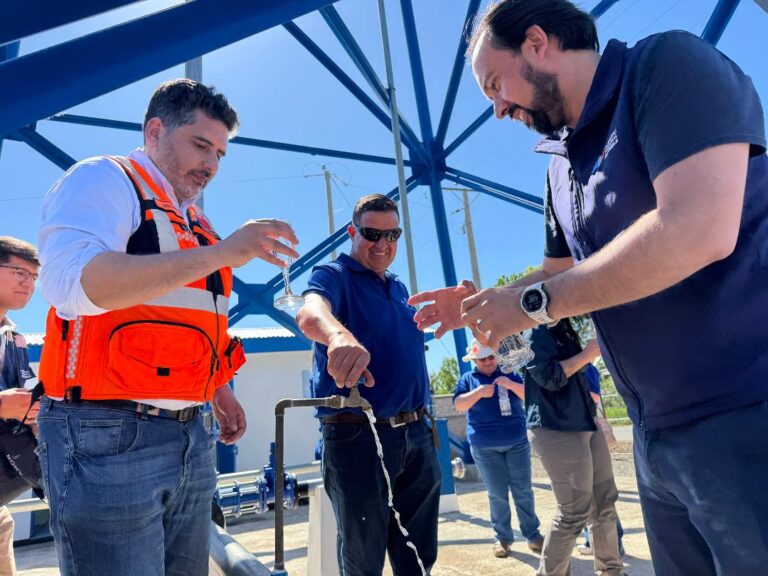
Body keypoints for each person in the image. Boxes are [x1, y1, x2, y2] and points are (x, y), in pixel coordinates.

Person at [409, 1, 768, 573]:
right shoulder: (558, 167)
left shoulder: (666, 66)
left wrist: (532, 305)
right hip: (657, 437)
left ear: (536, 43)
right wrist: (481, 305)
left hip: (744, 411)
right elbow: (557, 275)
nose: (498, 108)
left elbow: (700, 227)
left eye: (495, 84)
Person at [36, 79, 298, 576]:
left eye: (220, 153)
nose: (212, 165)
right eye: (201, 145)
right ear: (155, 130)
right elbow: (72, 285)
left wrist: (220, 391)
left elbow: (190, 318)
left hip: (190, 434)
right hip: (106, 435)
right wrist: (223, 253)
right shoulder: (104, 180)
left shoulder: (192, 221)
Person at [296, 194, 441, 575]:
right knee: (364, 560)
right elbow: (311, 312)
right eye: (372, 234)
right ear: (352, 232)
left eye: (393, 234)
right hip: (358, 438)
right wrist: (338, 337)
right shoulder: (333, 275)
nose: (383, 244)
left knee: (419, 556)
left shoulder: (398, 287)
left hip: (417, 434)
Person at [524, 319, 623, 576]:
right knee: (573, 513)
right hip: (556, 427)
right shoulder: (534, 331)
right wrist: (587, 355)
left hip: (584, 421)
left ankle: (611, 570)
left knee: (604, 502)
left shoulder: (565, 328)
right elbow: (548, 377)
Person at [453, 338, 544, 559]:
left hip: (517, 442)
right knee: (497, 494)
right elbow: (459, 404)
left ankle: (533, 536)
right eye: (482, 359)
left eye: (490, 357)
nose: (487, 362)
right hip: (484, 446)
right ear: (474, 360)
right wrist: (477, 393)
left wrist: (510, 384)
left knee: (523, 490)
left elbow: (530, 396)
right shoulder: (467, 379)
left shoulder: (510, 373)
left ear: (497, 356)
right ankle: (502, 538)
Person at [0, 237, 41, 576]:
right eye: (19, 272)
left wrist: (34, 416)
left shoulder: (14, 338)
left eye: (34, 276)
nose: (29, 283)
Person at [577, 363, 624, 557]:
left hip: (585, 433)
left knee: (595, 494)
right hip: (581, 433)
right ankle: (601, 541)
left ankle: (609, 542)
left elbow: (594, 397)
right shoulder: (583, 364)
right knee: (593, 495)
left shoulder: (585, 366)